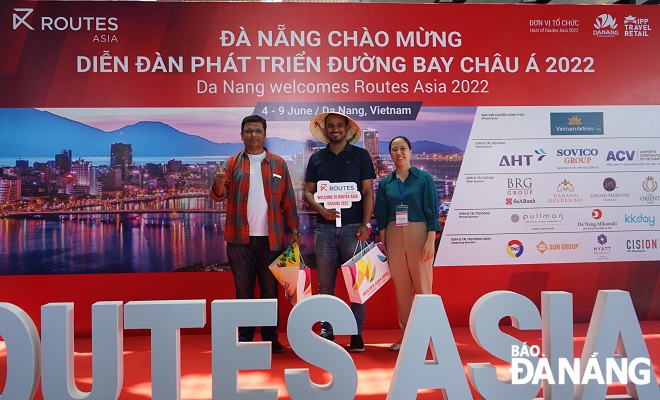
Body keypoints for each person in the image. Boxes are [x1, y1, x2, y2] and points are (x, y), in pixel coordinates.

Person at [210, 114, 299, 354]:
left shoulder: (279, 164)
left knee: (271, 291)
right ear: (242, 135)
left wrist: (294, 229)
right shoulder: (231, 163)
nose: (253, 135)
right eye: (248, 131)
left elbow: (288, 199)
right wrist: (218, 183)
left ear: (264, 134)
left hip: (272, 238)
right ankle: (246, 336)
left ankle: (271, 338)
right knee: (243, 290)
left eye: (258, 131)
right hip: (239, 239)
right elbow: (219, 195)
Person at [304, 112, 376, 353]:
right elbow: (308, 193)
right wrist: (321, 210)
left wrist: (365, 224)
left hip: (354, 230)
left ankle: (357, 333)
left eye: (339, 126)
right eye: (331, 126)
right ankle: (328, 330)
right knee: (326, 285)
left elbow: (367, 192)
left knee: (358, 284)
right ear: (325, 130)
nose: (335, 130)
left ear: (347, 129)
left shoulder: (360, 156)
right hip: (324, 230)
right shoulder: (316, 159)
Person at [374, 136, 439, 351]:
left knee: (423, 290)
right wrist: (383, 243)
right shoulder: (386, 182)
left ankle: (429, 338)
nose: (398, 152)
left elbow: (432, 210)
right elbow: (382, 214)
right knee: (402, 292)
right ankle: (407, 338)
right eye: (394, 149)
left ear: (410, 151)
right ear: (390, 154)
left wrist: (430, 240)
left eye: (403, 148)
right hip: (393, 235)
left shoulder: (424, 178)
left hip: (419, 232)